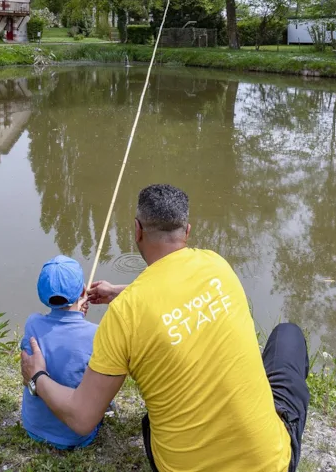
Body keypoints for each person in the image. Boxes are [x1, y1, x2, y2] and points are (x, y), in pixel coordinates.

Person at [21, 184, 310, 472]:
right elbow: (173, 288)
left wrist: (37, 376)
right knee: (288, 335)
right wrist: (119, 292)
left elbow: (82, 417)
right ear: (187, 231)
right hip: (272, 465)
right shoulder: (217, 265)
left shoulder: (125, 315)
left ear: (137, 230)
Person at [20, 255, 100, 449]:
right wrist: (79, 320)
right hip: (76, 435)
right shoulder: (94, 333)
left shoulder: (32, 324)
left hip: (34, 427)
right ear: (83, 290)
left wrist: (76, 317)